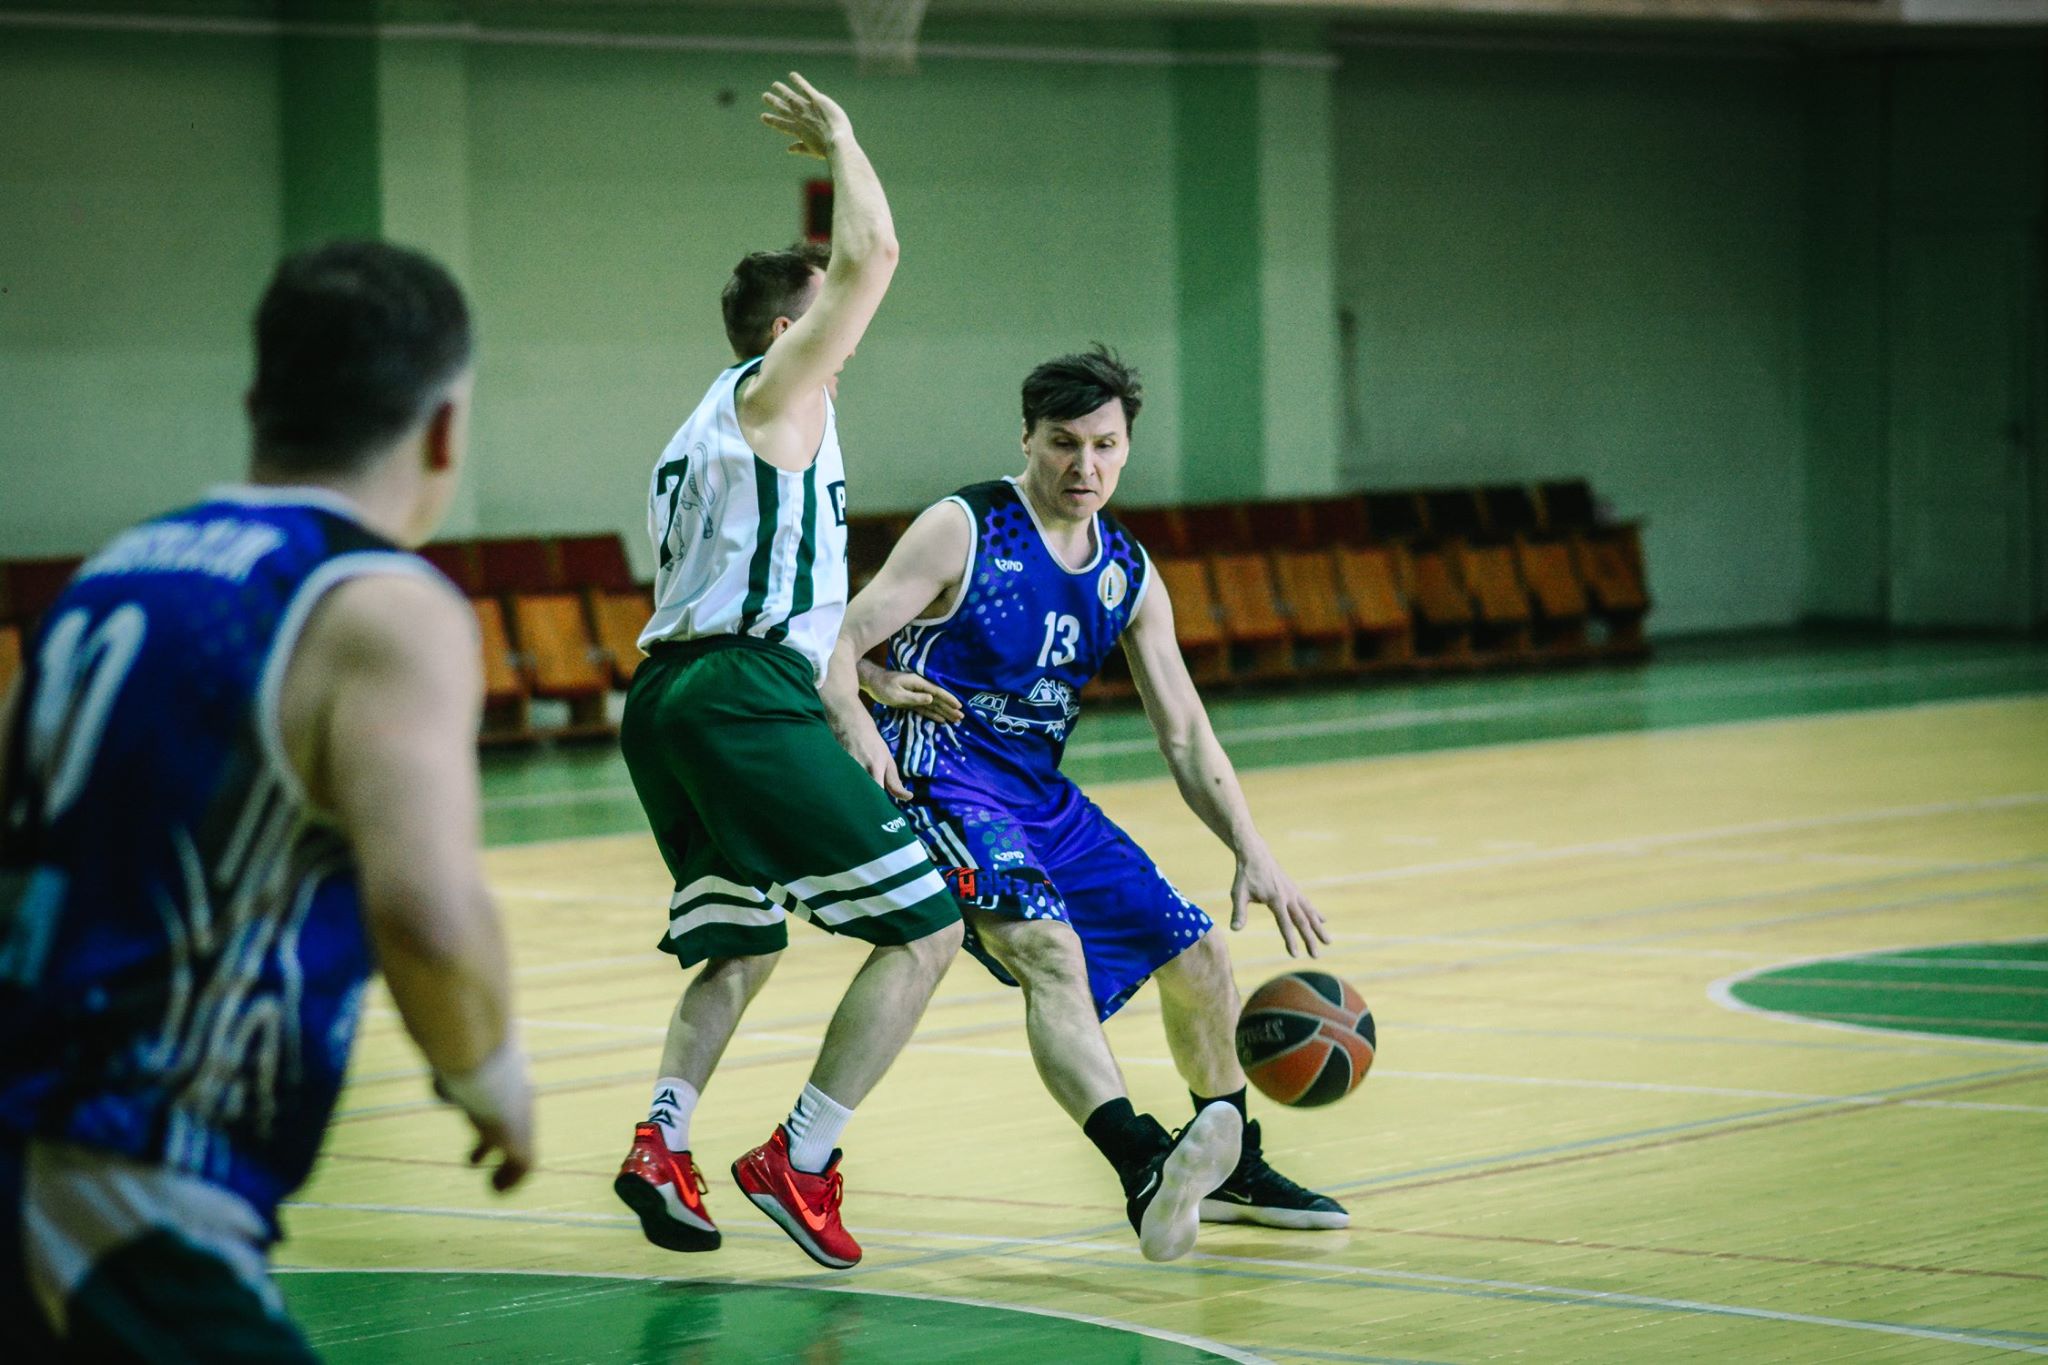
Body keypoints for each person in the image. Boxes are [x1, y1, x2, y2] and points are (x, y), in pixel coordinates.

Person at [0, 240, 534, 1361]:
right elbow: (427, 913)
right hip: (122, 1180)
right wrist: (487, 1072)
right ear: (446, 429)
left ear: (258, 402)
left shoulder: (112, 572)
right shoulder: (378, 604)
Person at [822, 347, 1346, 1262]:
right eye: (1064, 442)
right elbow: (838, 635)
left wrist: (1251, 847)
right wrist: (866, 708)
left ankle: (1231, 1167)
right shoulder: (964, 526)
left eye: (1105, 445)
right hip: (942, 774)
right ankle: (1142, 1166)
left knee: (1199, 955)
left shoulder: (1128, 573)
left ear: (1127, 448)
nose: (1085, 465)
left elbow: (1185, 733)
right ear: (1026, 438)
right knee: (1049, 951)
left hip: (1036, 791)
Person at [611, 74, 962, 1272]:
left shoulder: (703, 423)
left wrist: (849, 685)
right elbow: (876, 257)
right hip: (734, 696)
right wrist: (844, 140)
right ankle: (799, 1157)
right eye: (824, 325)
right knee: (925, 929)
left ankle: (662, 1140)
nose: (847, 343)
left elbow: (752, 596)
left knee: (745, 943)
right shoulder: (776, 395)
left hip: (670, 699)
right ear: (783, 335)